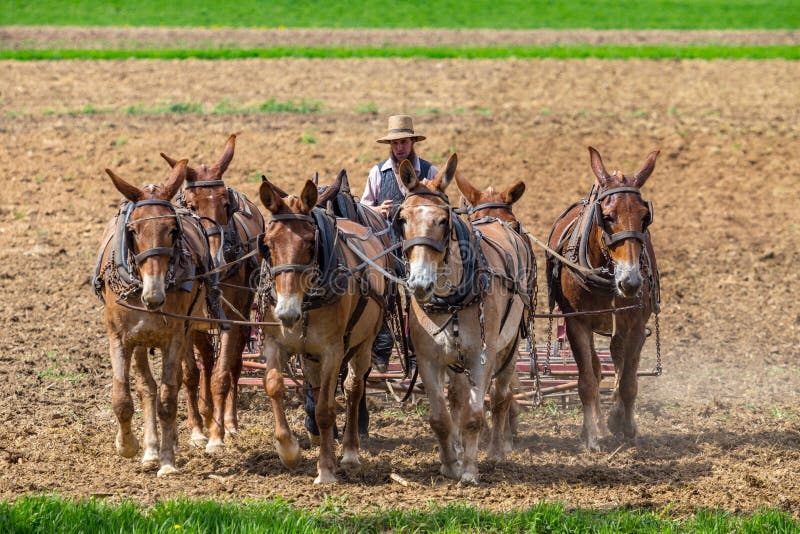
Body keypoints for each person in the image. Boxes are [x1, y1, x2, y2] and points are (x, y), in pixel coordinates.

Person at [304, 115, 437, 444]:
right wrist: (378, 210)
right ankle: (378, 342)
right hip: (385, 246)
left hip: (420, 248)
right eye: (394, 142)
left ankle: (418, 349)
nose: (399, 146)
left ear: (413, 143)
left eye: (404, 141)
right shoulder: (378, 173)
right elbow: (364, 207)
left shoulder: (431, 172)